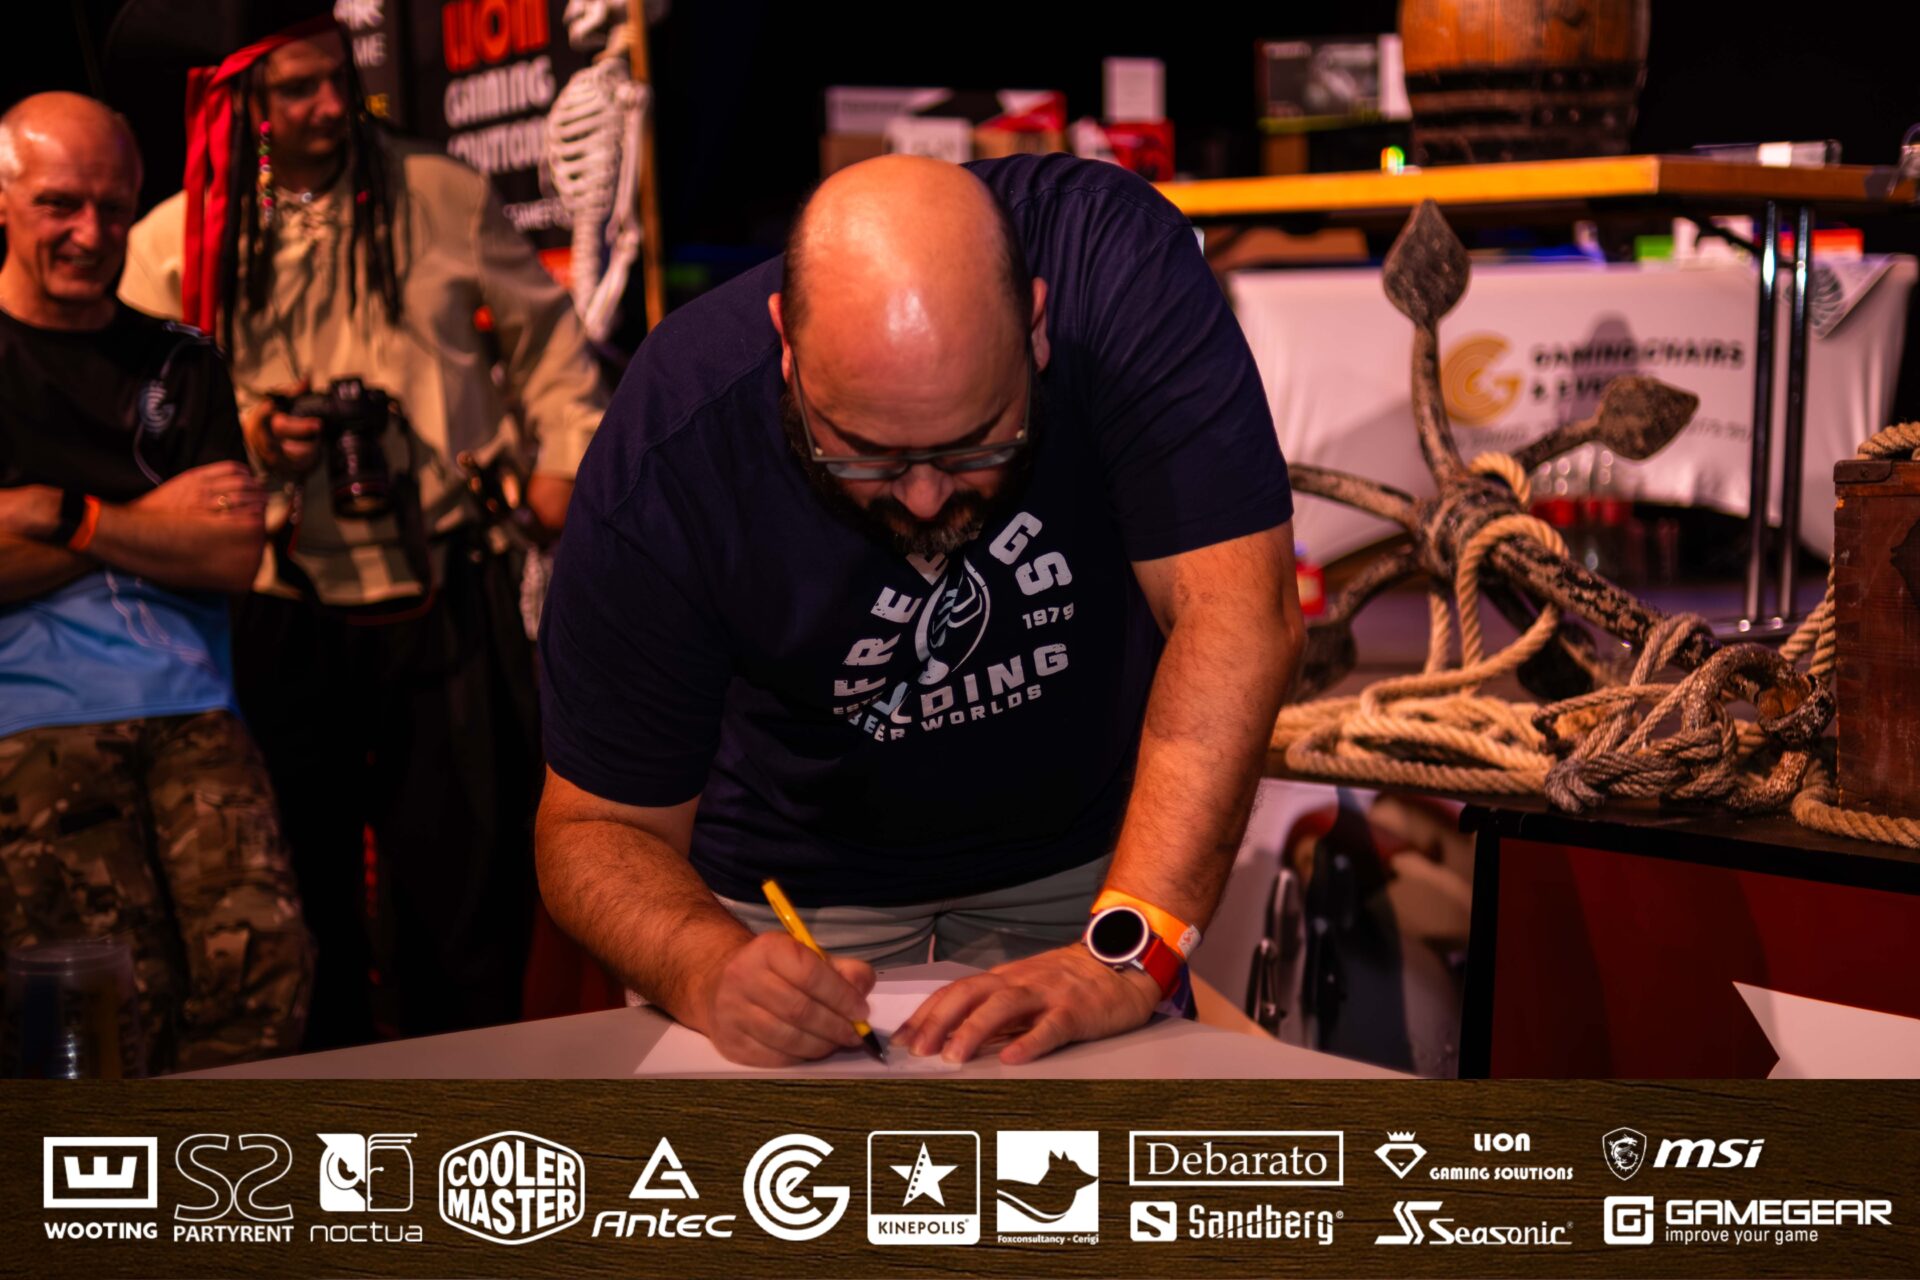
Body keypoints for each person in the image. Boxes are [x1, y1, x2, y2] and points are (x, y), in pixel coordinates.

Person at [536, 153, 1305, 1067]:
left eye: (976, 444)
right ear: (787, 350)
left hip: (1090, 852)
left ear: (1037, 329)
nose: (929, 498)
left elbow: (1238, 617)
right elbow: (595, 827)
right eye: (868, 455)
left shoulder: (1118, 267)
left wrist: (1130, 952)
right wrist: (705, 967)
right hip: (787, 890)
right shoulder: (678, 432)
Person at [115, 3, 606, 1045]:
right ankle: (331, 1111)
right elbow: (131, 422)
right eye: (298, 87)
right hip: (278, 606)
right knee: (303, 902)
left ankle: (474, 1104)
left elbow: (551, 347)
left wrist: (567, 461)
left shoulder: (439, 193)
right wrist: (249, 432)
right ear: (244, 101)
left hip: (445, 593)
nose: (333, 103)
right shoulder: (175, 241)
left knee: (468, 902)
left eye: (339, 75)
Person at [0, 92, 311, 1073]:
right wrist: (154, 519)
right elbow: (192, 537)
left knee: (264, 973)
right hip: (30, 723)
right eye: (59, 204)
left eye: (112, 206)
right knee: (94, 1006)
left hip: (192, 706)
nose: (91, 234)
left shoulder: (181, 359)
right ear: (3, 199)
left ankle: (203, 1165)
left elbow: (230, 552)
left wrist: (65, 513)